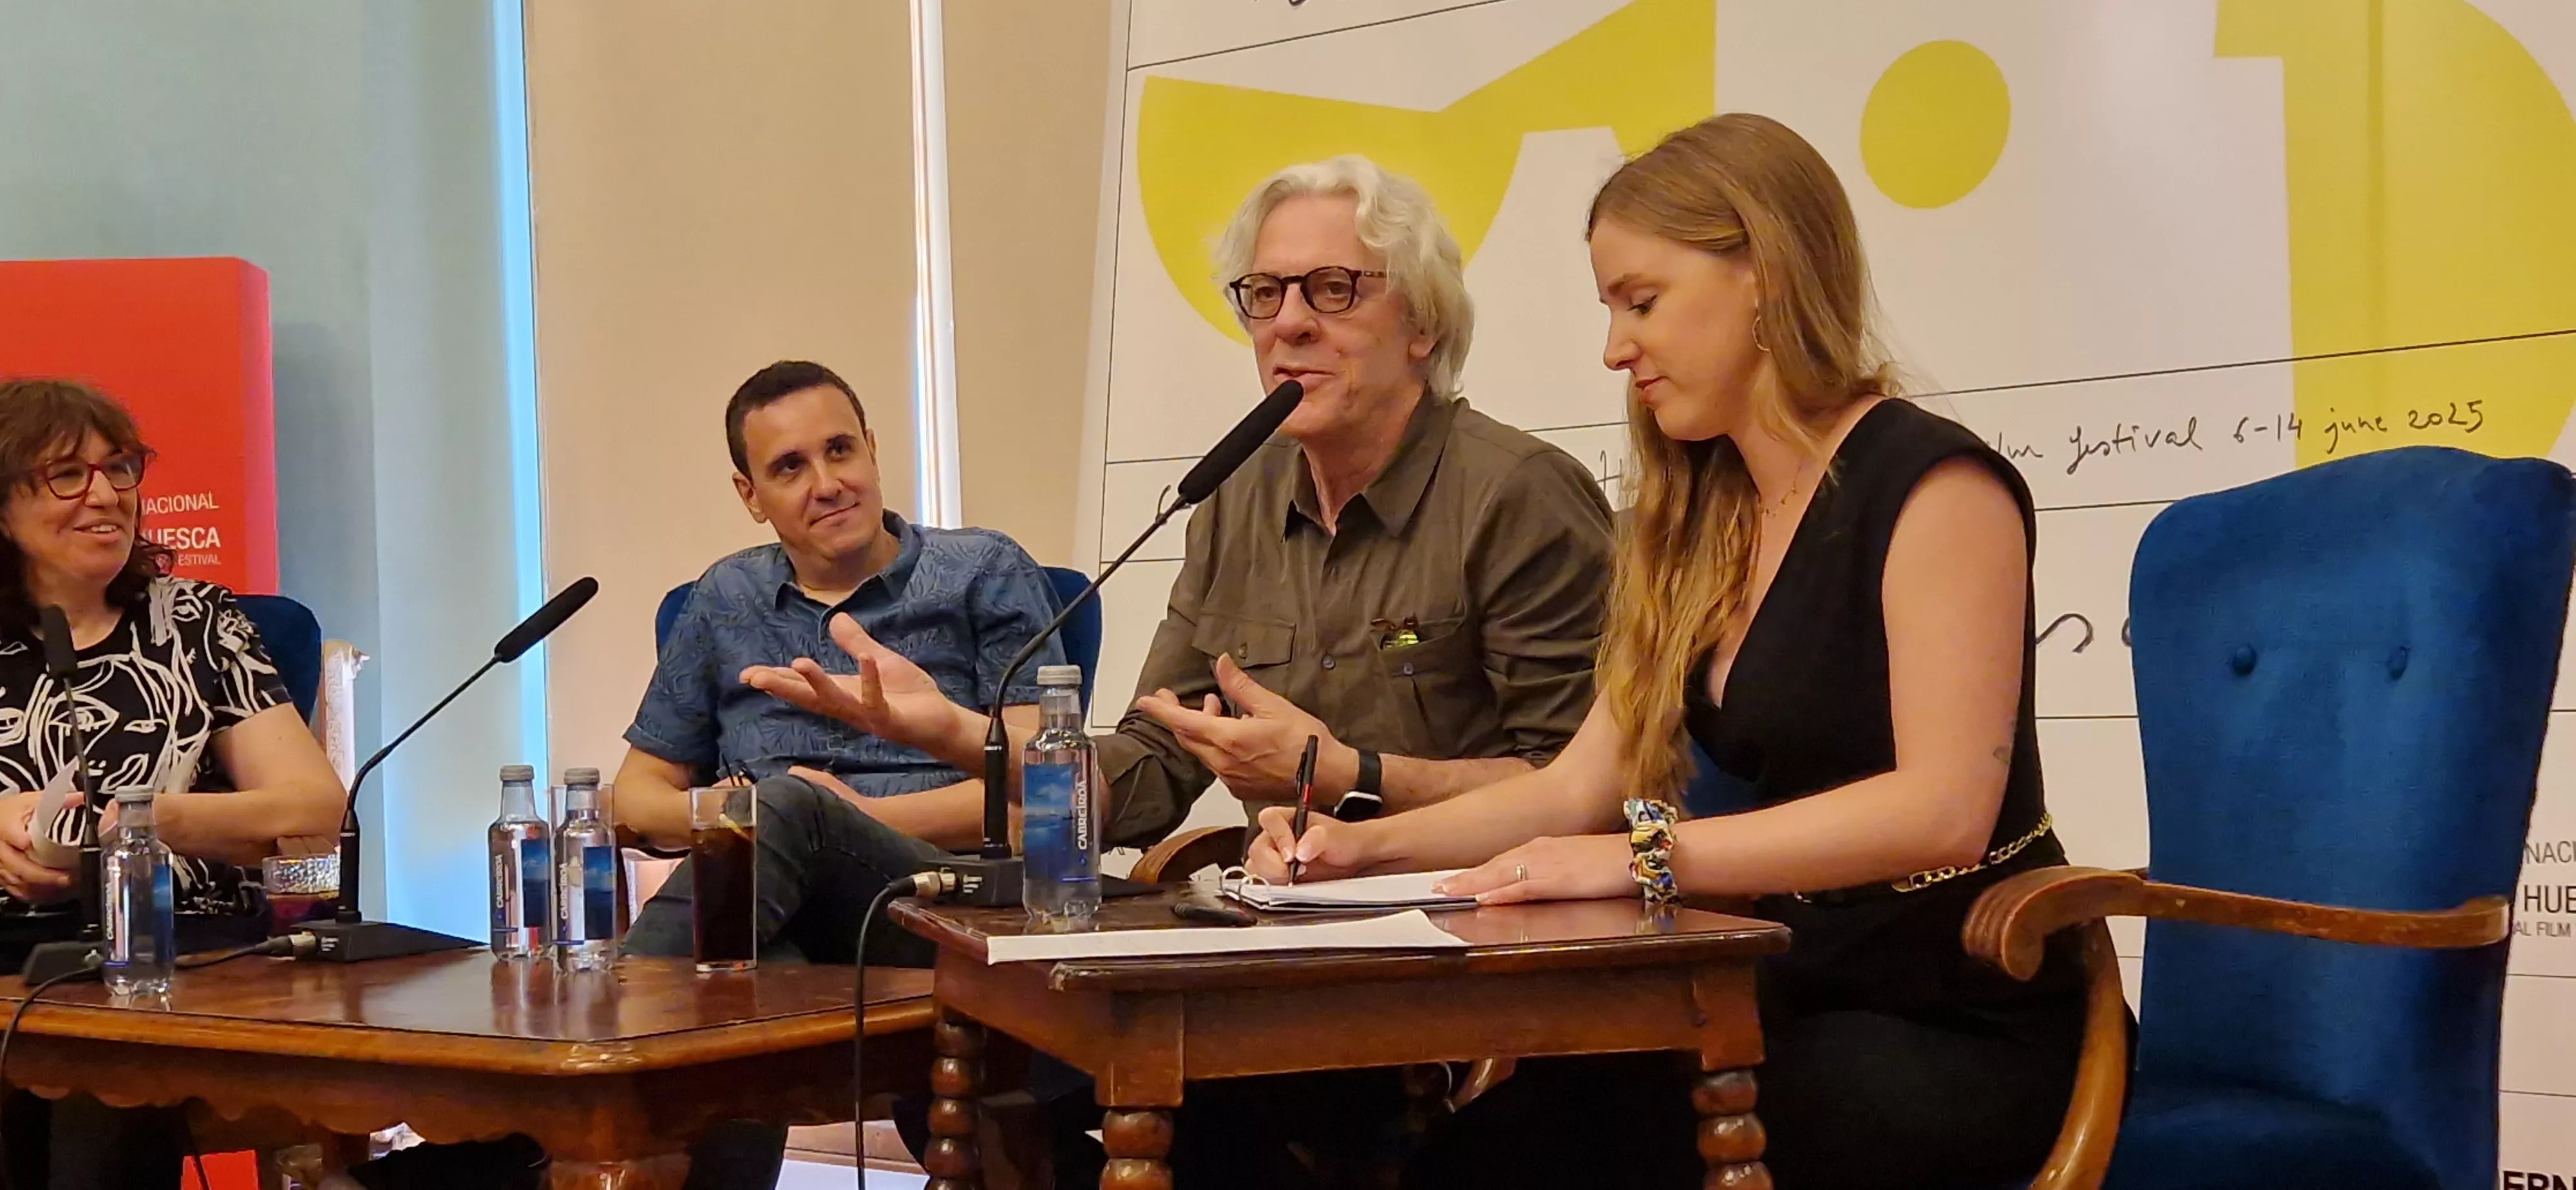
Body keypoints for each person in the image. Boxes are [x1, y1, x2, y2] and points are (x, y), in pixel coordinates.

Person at [1246, 114, 2089, 1190]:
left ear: (1765, 276)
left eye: (1641, 302)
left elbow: (1941, 807)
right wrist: (1362, 848)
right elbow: (1579, 784)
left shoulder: (1935, 487)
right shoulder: (1697, 514)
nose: (1615, 348)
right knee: (1472, 1161)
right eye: (1610, 307)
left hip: (1947, 1014)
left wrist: (1644, 856)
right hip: (1771, 994)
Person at [746, 157, 1616, 1185]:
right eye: (1265, 293)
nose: (1289, 324)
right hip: (1264, 942)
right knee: (885, 923)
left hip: (1440, 959)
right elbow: (1154, 769)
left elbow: (1577, 797)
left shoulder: (1518, 496)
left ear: (1421, 323)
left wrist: (1350, 775)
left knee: (1117, 1099)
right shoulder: (1237, 502)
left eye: (1332, 290)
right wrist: (951, 733)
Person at [343, 359, 1068, 1190]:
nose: (827, 483)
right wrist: (748, 818)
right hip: (772, 906)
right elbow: (639, 795)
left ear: (873, 447)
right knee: (746, 974)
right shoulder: (728, 596)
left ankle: (530, 1136)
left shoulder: (980, 570)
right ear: (749, 494)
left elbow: (1042, 803)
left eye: (840, 450)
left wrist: (836, 816)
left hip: (938, 902)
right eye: (789, 468)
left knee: (788, 813)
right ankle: (563, 1147)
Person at [0, 378, 346, 1190]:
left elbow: (312, 810)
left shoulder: (193, 623)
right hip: (8, 956)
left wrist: (140, 820)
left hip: (163, 957)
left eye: (118, 469)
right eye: (65, 475)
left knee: (103, 1097)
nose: (104, 495)